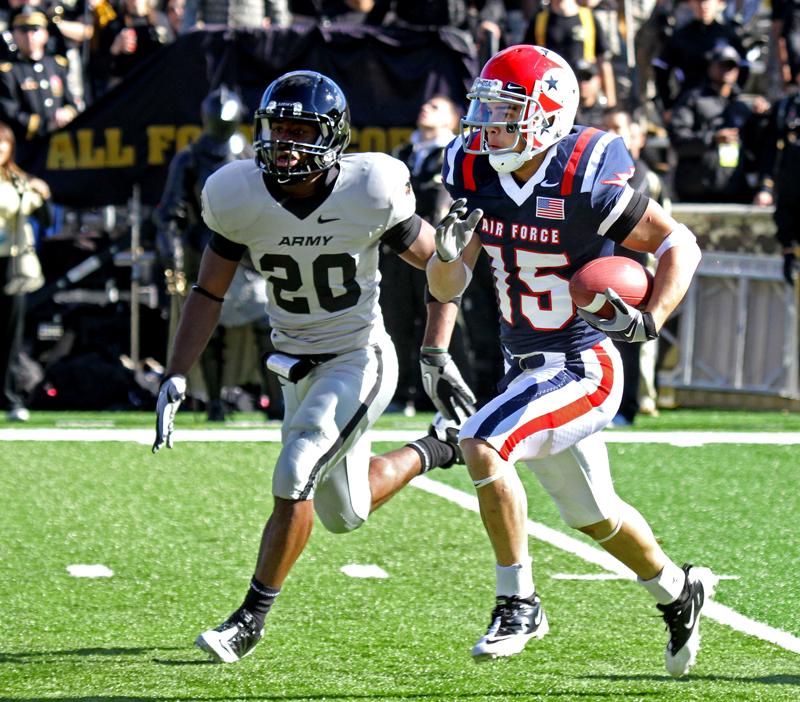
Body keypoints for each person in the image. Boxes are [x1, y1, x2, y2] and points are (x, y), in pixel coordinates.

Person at [152, 70, 476, 663]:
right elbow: (207, 291)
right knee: (344, 512)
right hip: (293, 365)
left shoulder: (371, 187)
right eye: (278, 130)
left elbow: (443, 273)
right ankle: (438, 449)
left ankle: (249, 619)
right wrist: (175, 371)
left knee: (295, 467)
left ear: (334, 137)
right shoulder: (236, 193)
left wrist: (435, 350)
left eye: (302, 132)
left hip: (359, 357)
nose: (286, 145)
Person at [427, 44, 716, 677]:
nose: (488, 127)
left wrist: (652, 318)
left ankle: (518, 600)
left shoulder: (583, 174)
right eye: (486, 111)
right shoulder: (472, 169)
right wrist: (445, 258)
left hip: (585, 363)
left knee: (483, 444)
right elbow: (451, 283)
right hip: (524, 364)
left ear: (548, 115)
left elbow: (680, 242)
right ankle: (678, 591)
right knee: (595, 515)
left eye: (506, 113)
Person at [156, 87, 276, 422]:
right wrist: (174, 256)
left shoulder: (252, 155)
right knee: (208, 326)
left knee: (267, 324)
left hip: (249, 252)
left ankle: (276, 400)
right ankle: (213, 401)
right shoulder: (191, 157)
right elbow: (171, 211)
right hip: (204, 248)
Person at [383, 95, 465, 415]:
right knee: (397, 323)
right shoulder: (403, 154)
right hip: (397, 254)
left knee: (441, 323)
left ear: (451, 120)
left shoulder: (454, 154)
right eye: (424, 104)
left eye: (435, 107)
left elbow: (444, 203)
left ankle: (439, 392)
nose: (424, 108)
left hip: (434, 252)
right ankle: (400, 392)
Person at [668, 44, 771, 204]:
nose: (727, 70)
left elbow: (758, 149)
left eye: (731, 66)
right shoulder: (693, 99)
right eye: (722, 65)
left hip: (734, 194)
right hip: (695, 194)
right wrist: (713, 139)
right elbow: (678, 140)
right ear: (711, 67)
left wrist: (762, 119)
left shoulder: (742, 107)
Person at [0, 120, 50, 422]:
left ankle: (9, 397)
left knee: (10, 335)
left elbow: (42, 216)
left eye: (3, 143)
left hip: (11, 264)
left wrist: (42, 193)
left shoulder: (19, 182)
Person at [0, 6, 78, 166]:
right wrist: (43, 126)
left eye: (35, 29)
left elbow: (72, 101)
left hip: (60, 148)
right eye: (23, 30)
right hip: (26, 148)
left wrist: (67, 113)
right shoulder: (8, 70)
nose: (30, 36)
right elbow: (9, 111)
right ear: (14, 34)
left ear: (45, 33)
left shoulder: (57, 65)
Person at [652, 0, 748, 120]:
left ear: (718, 3)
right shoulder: (680, 37)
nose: (703, 5)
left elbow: (744, 66)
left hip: (722, 105)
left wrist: (734, 93)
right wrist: (668, 106)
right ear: (691, 3)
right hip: (689, 105)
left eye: (708, 1)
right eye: (698, 1)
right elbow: (661, 71)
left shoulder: (728, 35)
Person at [524, 0, 617, 108]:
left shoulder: (588, 18)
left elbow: (604, 62)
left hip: (584, 94)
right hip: (551, 94)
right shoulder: (539, 20)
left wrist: (611, 103)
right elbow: (528, 61)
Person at [755, 68, 800, 284]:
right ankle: (789, 253)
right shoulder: (785, 108)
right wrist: (765, 187)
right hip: (791, 187)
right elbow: (769, 151)